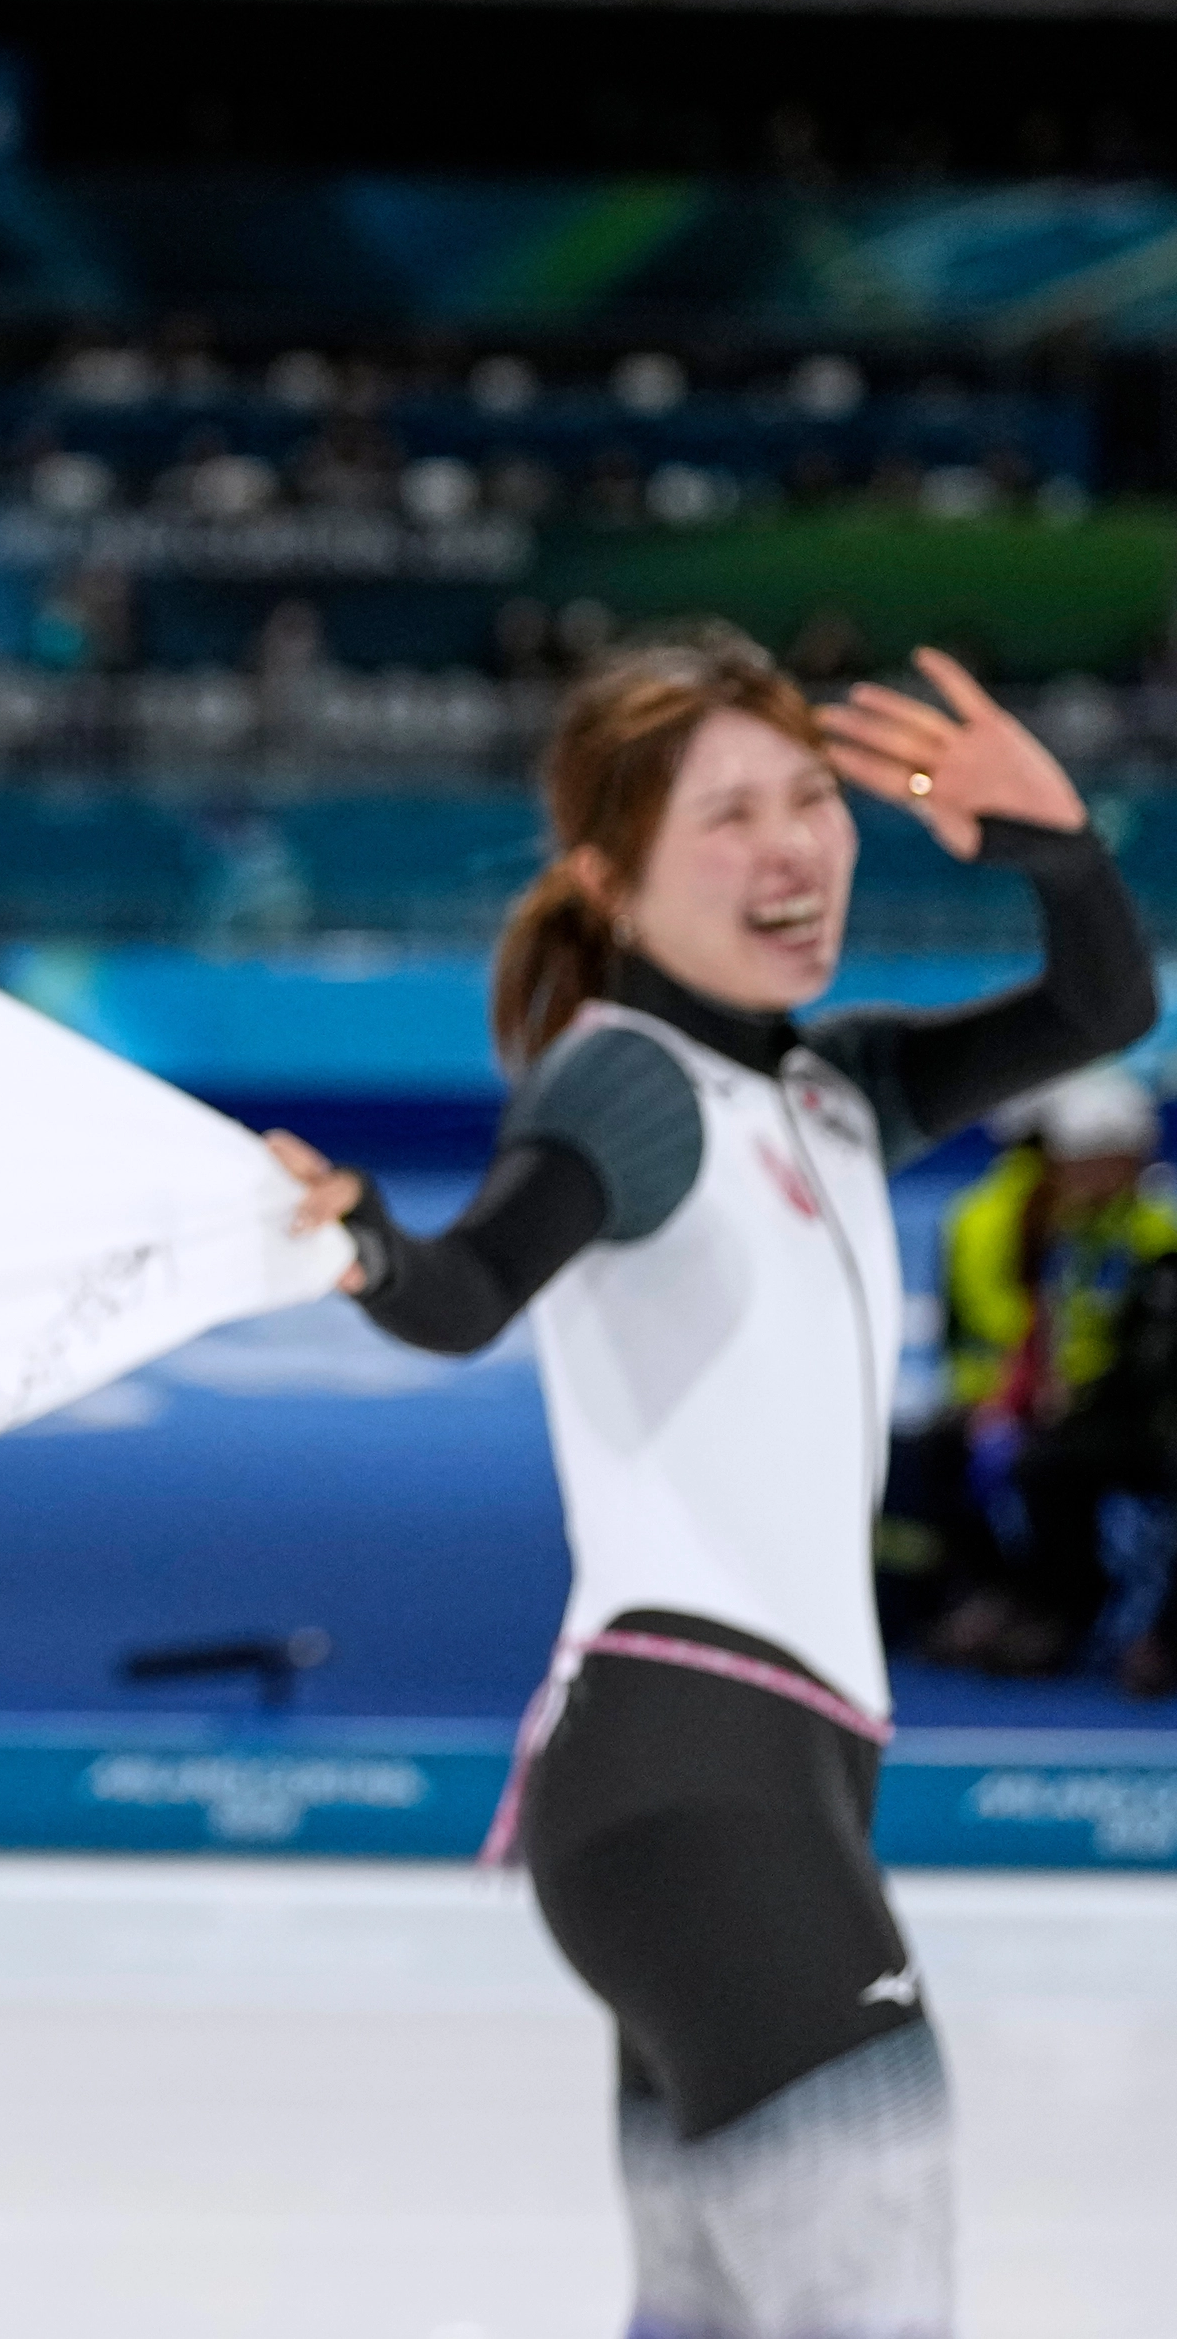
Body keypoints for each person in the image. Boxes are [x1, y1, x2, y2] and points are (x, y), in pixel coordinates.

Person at [268, 627, 1151, 2337]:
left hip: (740, 1784)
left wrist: (1055, 837)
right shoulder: (631, 1079)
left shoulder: (834, 1086)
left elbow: (1104, 1006)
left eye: (812, 799)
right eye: (729, 815)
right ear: (609, 875)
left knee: (720, 2312)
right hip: (698, 1780)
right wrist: (366, 1240)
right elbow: (464, 1295)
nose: (793, 847)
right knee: (864, 2299)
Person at [904, 1062, 1177, 1675]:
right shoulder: (1018, 1227)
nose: (1089, 1173)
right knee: (959, 1451)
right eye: (1080, 1158)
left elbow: (1136, 1350)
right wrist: (1007, 1400)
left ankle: (1108, 1619)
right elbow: (999, 1333)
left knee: (1058, 1462)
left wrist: (1074, 1395)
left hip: (1128, 1411)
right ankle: (1009, 1598)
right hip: (1046, 1402)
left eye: (1108, 1157)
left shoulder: (1156, 1234)